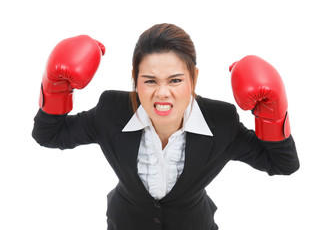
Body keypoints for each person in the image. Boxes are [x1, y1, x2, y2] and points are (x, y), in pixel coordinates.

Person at [32, 23, 300, 230]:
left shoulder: (221, 122)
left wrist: (272, 117)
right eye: (149, 80)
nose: (162, 93)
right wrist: (55, 89)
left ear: (194, 79)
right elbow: (49, 135)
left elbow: (282, 164)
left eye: (175, 80)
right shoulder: (111, 111)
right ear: (134, 79)